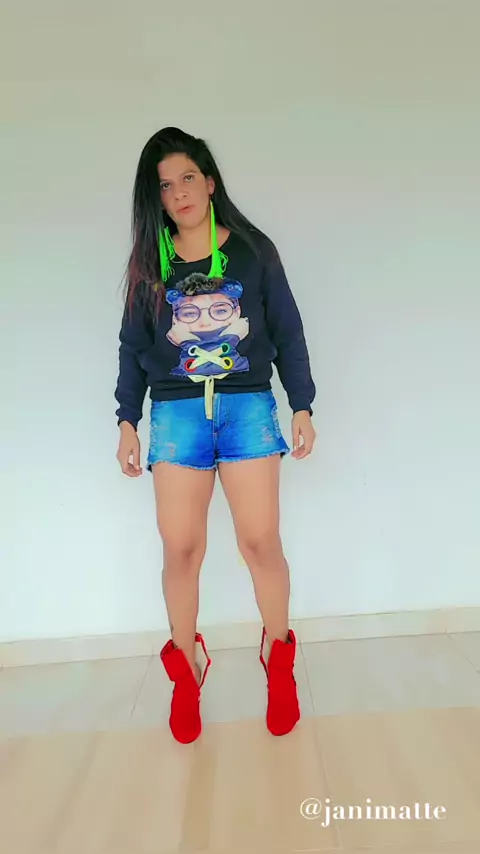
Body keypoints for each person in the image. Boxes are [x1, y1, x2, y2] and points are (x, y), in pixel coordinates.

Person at [115, 127, 316, 744]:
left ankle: (278, 658)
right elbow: (132, 345)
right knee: (180, 548)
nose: (178, 193)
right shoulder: (150, 266)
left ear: (208, 181)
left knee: (260, 541)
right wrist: (127, 418)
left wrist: (302, 404)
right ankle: (187, 668)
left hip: (247, 406)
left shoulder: (254, 252)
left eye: (186, 178)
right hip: (176, 414)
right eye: (164, 185)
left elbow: (287, 329)